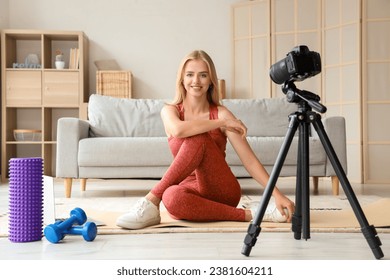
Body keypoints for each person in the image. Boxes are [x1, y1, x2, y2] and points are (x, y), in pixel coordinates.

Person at [116, 50, 295, 230]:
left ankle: (150, 201)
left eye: (203, 75)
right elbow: (178, 130)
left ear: (211, 81)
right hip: (190, 190)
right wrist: (221, 123)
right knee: (171, 196)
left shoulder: (221, 112)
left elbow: (249, 161)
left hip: (221, 189)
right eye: (190, 75)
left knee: (198, 138)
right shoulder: (170, 111)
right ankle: (253, 214)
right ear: (182, 79)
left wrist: (277, 194)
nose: (196, 81)